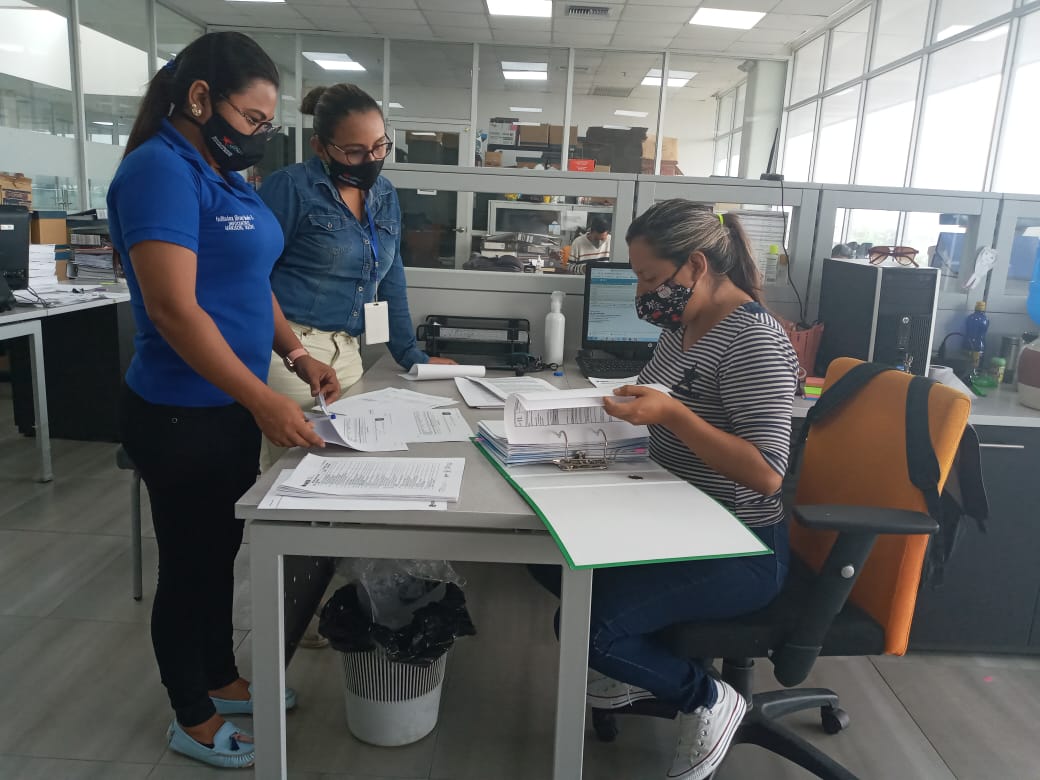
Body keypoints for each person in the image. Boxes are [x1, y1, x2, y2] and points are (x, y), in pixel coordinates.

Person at [109, 31, 341, 769]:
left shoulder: (222, 173)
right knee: (189, 566)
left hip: (227, 407)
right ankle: (192, 715)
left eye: (268, 123)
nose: (259, 134)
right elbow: (174, 311)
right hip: (179, 411)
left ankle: (220, 675)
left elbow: (249, 281)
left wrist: (296, 355)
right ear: (200, 98)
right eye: (251, 117)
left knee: (218, 555)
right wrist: (262, 399)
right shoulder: (159, 171)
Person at [531, 200, 798, 780]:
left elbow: (767, 473)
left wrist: (672, 414)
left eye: (651, 279)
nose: (642, 294)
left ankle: (709, 699)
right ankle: (635, 669)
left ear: (696, 265)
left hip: (741, 545)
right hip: (676, 518)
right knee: (547, 555)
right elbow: (656, 408)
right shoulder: (684, 327)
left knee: (588, 628)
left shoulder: (753, 340)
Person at [258, 83, 454, 470]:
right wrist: (296, 355)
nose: (371, 159)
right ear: (320, 147)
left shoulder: (384, 194)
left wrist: (412, 357)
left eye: (380, 146)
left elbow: (392, 279)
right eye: (354, 151)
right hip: (289, 354)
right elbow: (251, 279)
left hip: (348, 355)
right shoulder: (291, 188)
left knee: (351, 470)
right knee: (295, 475)